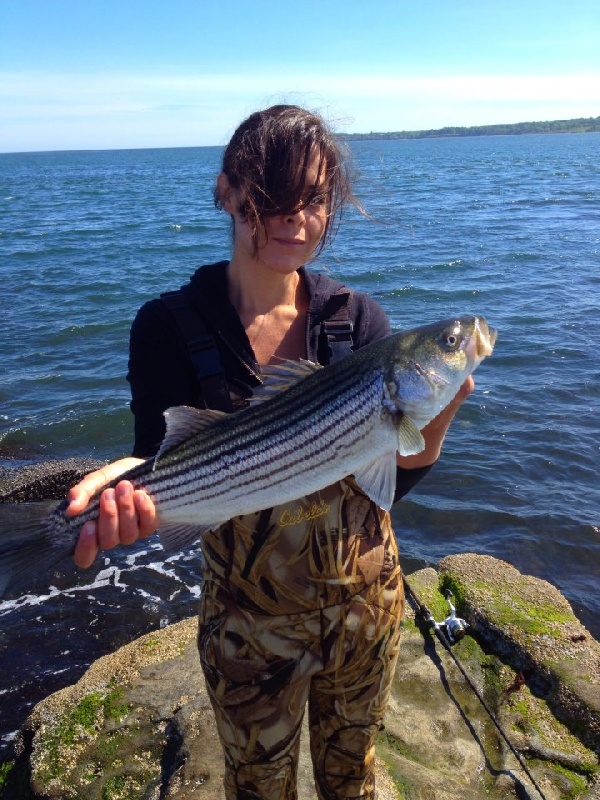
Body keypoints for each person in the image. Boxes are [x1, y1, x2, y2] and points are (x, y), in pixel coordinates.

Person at [67, 105, 473, 800]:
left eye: (314, 198)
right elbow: (156, 458)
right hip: (247, 633)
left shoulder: (357, 319)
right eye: (272, 195)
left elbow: (395, 481)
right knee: (258, 788)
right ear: (227, 190)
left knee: (355, 778)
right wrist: (127, 492)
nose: (295, 217)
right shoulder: (168, 325)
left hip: (366, 610)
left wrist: (437, 410)